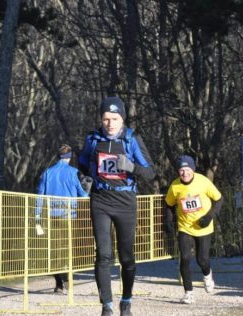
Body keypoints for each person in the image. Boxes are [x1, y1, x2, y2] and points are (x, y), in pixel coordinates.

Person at [78, 96, 155, 316]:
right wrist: (84, 178)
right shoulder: (92, 139)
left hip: (125, 201)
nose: (109, 123)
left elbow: (151, 172)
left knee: (126, 256)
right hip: (100, 199)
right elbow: (82, 164)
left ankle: (126, 300)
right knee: (103, 254)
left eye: (114, 118)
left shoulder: (132, 139)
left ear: (122, 118)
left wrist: (132, 166)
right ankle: (107, 306)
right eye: (105, 119)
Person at [164, 155, 223, 304]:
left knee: (202, 260)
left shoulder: (203, 182)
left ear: (193, 169)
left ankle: (207, 274)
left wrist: (209, 217)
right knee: (184, 258)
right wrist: (168, 220)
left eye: (187, 169)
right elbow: (169, 204)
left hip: (203, 226)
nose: (185, 173)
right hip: (185, 227)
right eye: (182, 170)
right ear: (178, 171)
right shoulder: (175, 186)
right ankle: (188, 293)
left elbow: (219, 199)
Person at [36, 144, 89, 294]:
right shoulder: (74, 172)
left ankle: (59, 283)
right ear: (70, 156)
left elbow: (40, 196)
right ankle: (67, 279)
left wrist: (37, 218)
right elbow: (83, 195)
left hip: (51, 216)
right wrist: (88, 190)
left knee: (54, 249)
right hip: (69, 216)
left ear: (58, 156)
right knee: (68, 248)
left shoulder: (47, 172)